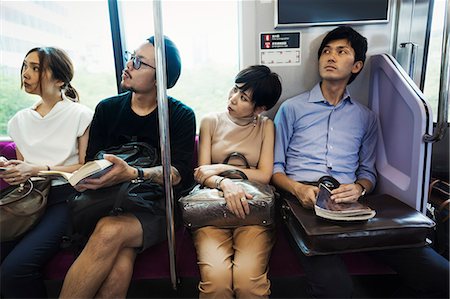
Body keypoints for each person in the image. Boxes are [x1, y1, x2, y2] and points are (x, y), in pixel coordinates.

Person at [272, 25, 449, 298]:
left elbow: (368, 172)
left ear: (356, 66)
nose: (330, 57)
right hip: (300, 199)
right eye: (326, 51)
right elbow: (275, 170)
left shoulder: (366, 117)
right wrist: (298, 190)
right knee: (336, 288)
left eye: (341, 51)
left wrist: (359, 188)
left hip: (348, 199)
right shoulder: (292, 109)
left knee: (439, 274)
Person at [59, 35, 196, 298]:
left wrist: (134, 173)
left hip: (155, 206)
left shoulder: (179, 115)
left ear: (160, 79)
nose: (128, 65)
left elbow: (178, 174)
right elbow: (90, 162)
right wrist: (93, 176)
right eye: (130, 57)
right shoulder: (108, 108)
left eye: (138, 62)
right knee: (120, 265)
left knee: (110, 231)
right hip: (106, 200)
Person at [0, 47, 93, 298]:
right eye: (25, 66)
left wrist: (37, 168)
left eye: (35, 68)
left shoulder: (80, 115)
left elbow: (85, 167)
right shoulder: (19, 120)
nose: (25, 73)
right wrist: (13, 171)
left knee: (14, 270)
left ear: (60, 79)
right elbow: (24, 171)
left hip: (66, 201)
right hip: (28, 199)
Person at [192, 65, 282, 298]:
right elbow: (202, 173)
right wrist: (226, 184)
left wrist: (222, 167)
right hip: (212, 211)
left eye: (243, 98)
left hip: (252, 212)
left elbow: (264, 175)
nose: (232, 99)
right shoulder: (210, 121)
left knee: (248, 284)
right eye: (234, 89)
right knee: (217, 283)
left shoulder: (266, 127)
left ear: (260, 108)